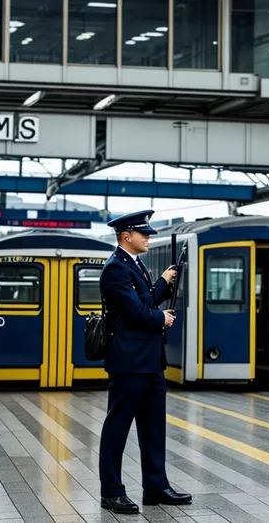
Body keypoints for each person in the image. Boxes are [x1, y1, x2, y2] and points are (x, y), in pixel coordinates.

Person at [99, 209, 192, 513]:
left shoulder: (134, 266)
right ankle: (112, 491)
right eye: (143, 234)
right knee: (118, 427)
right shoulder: (116, 269)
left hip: (151, 362)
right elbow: (137, 312)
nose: (148, 238)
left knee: (153, 428)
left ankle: (155, 487)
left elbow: (146, 300)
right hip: (129, 363)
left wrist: (164, 281)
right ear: (126, 236)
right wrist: (161, 318)